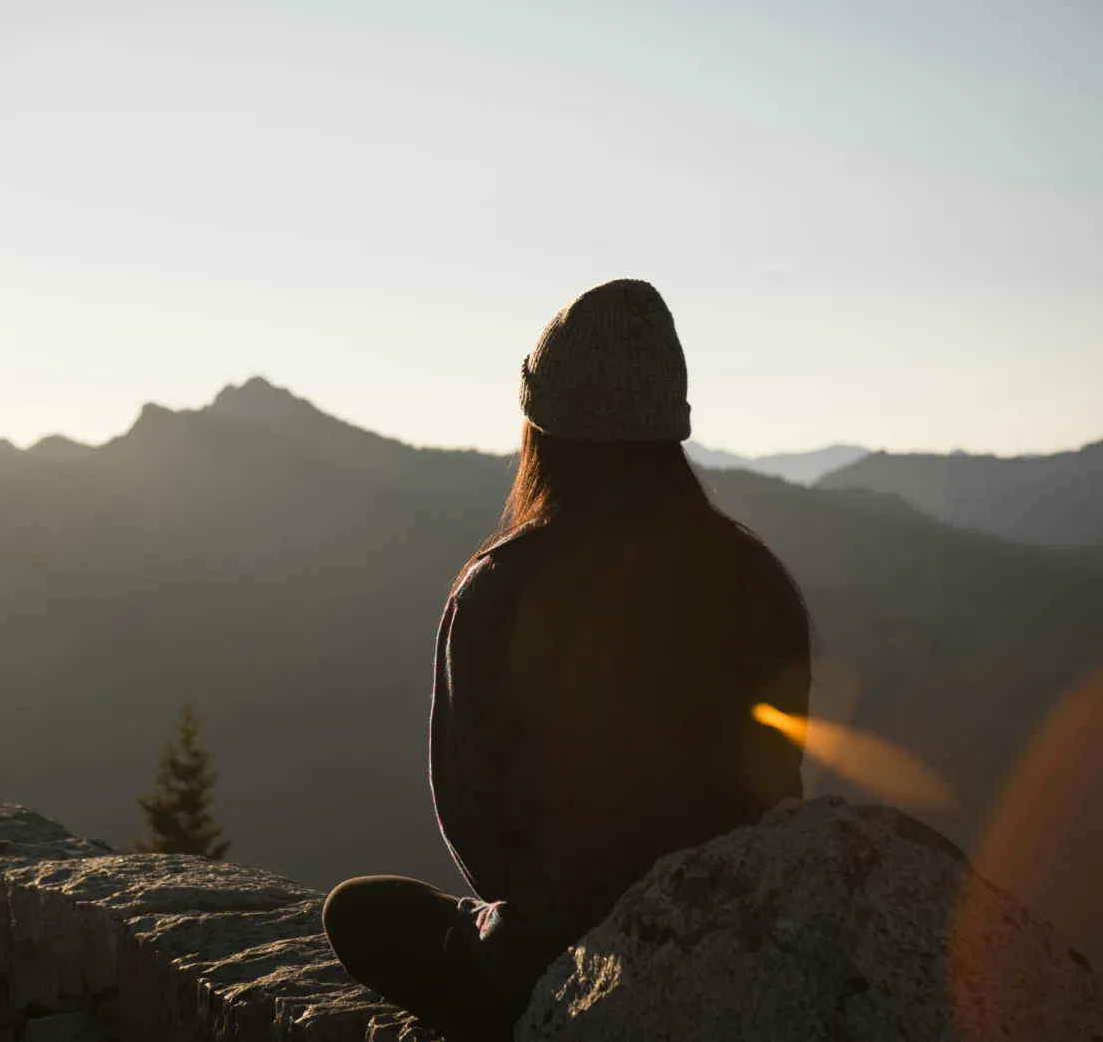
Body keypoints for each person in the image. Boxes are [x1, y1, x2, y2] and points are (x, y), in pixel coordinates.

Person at [321, 279, 812, 1041]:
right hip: (733, 941)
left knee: (359, 911)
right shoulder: (757, 581)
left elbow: (476, 823)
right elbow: (779, 791)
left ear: (542, 426)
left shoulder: (498, 588)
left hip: (557, 962)